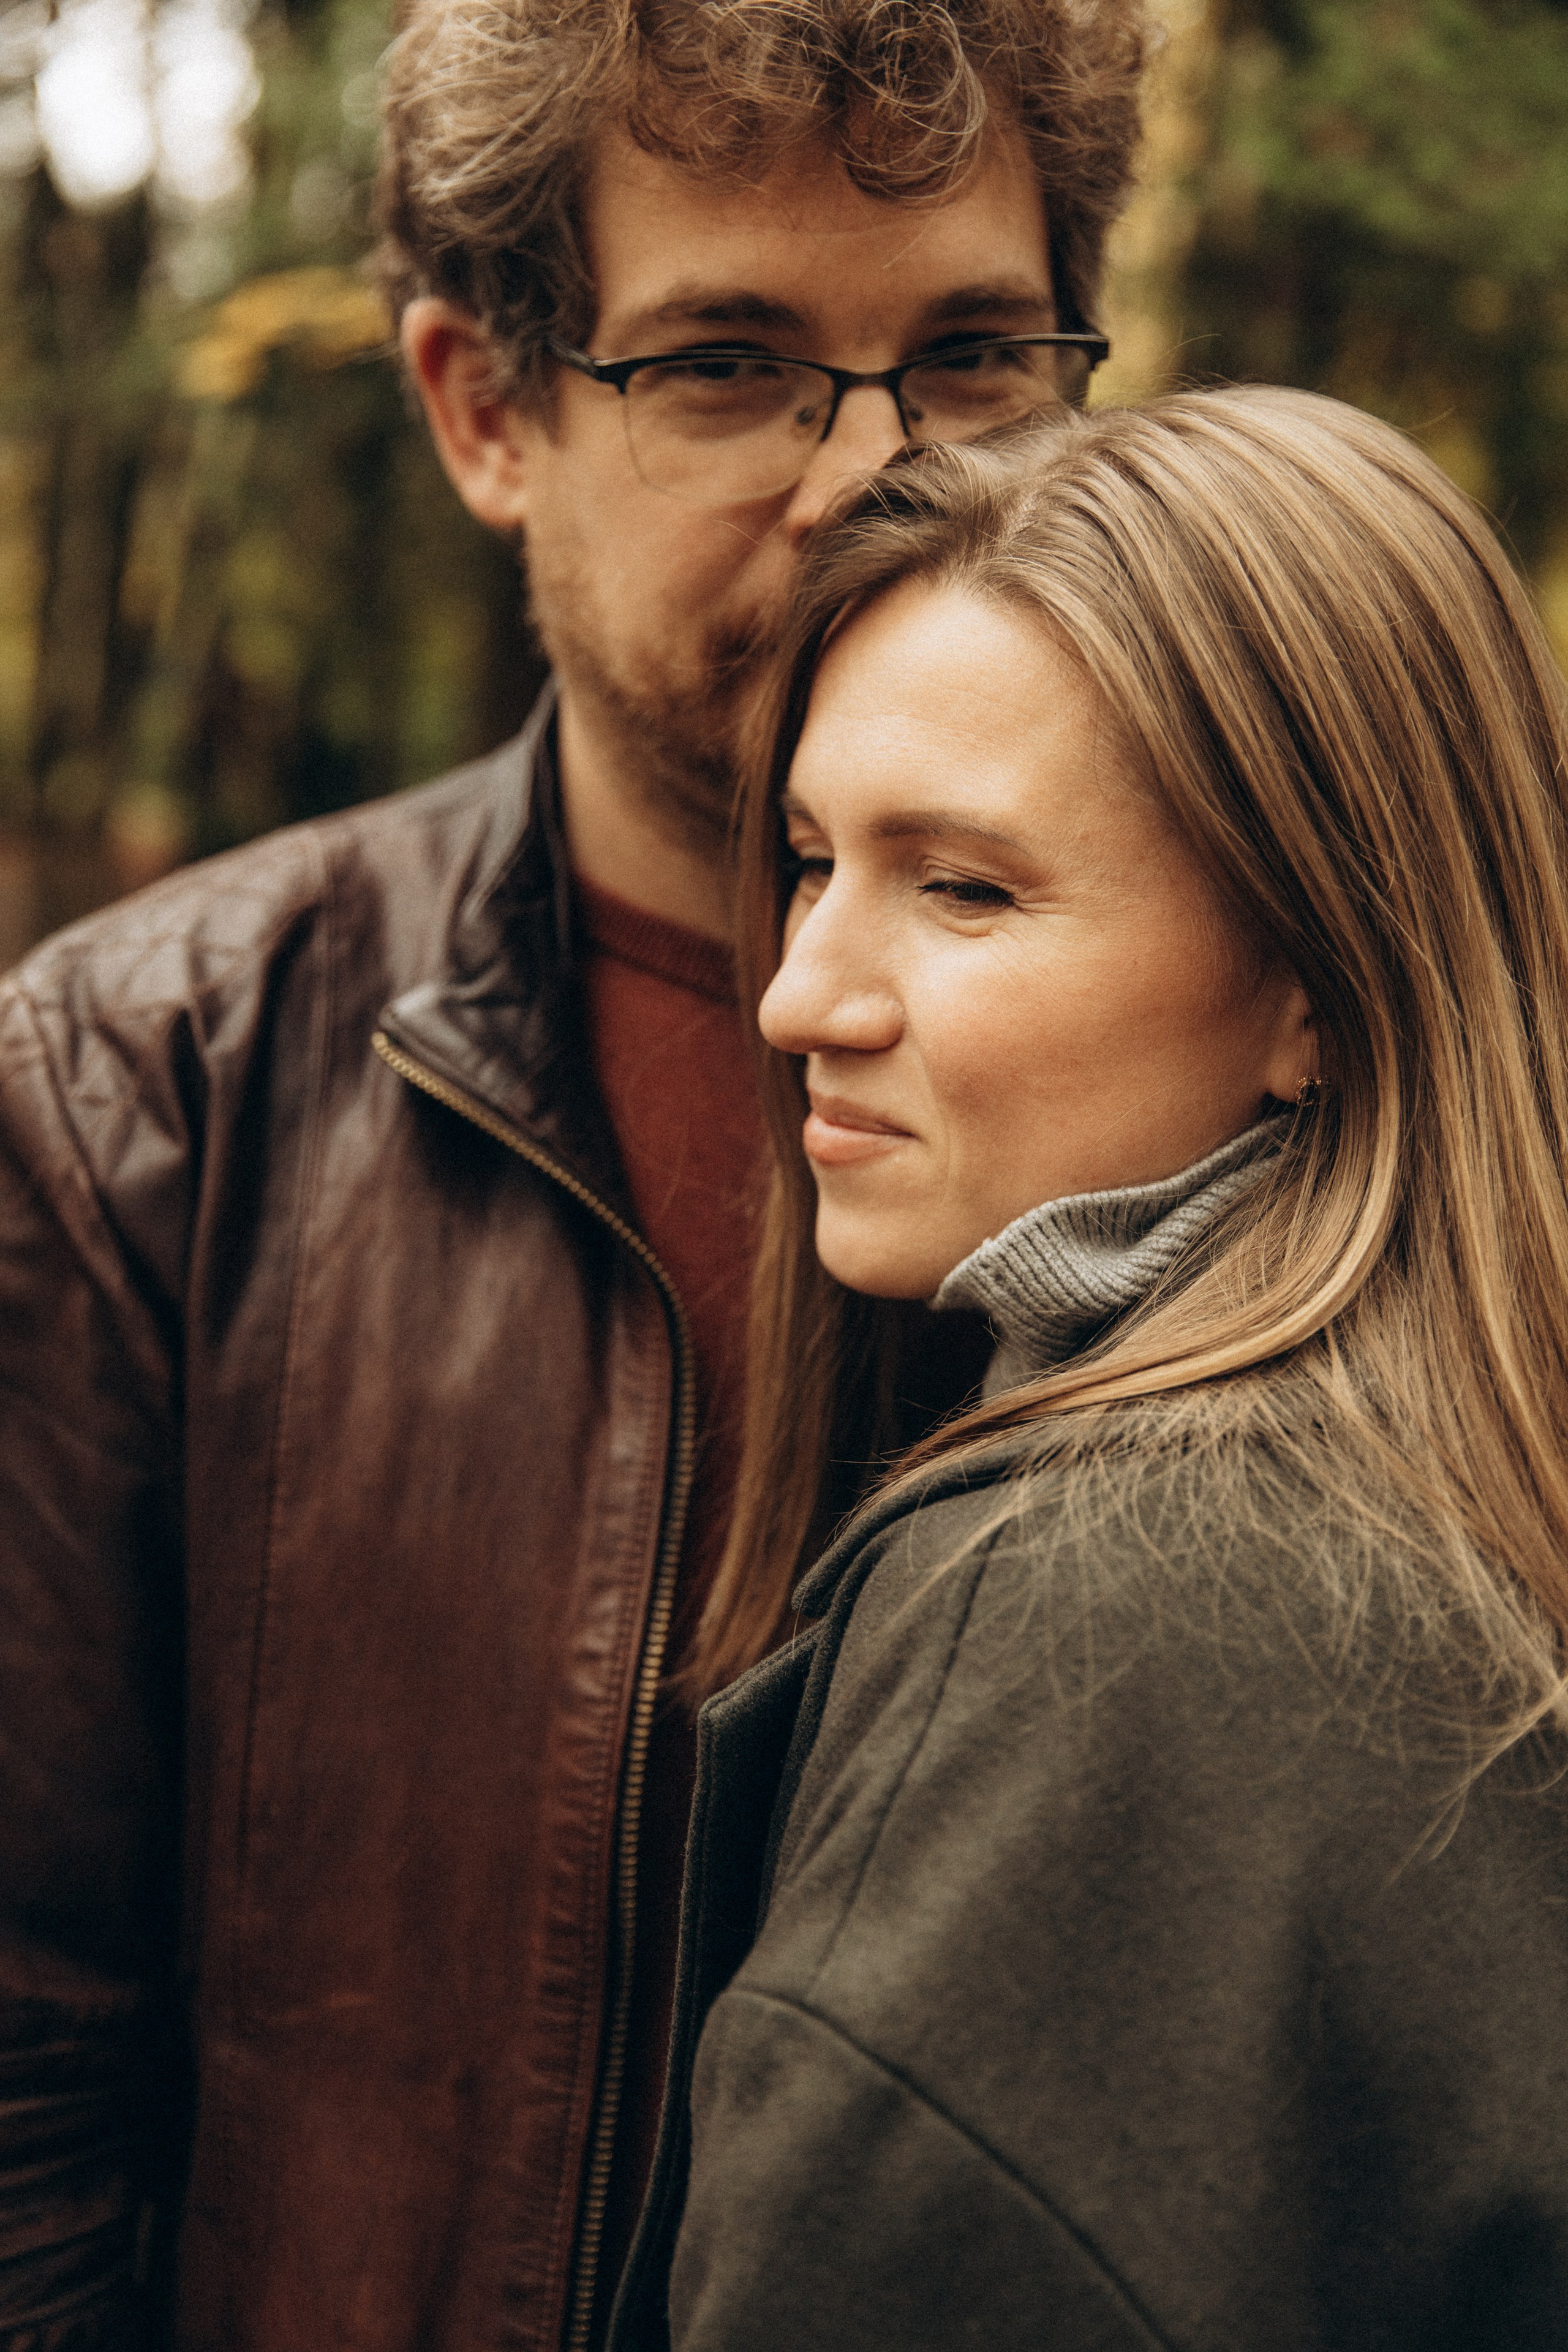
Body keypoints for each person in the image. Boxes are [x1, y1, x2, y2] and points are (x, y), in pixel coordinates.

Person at [0, 4, 1148, 2347]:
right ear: (483, 409)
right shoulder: (137, 1094)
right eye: (727, 364)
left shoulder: (1284, 1089)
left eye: (969, 354)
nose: (876, 477)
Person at [612, 388, 1568, 2352]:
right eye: (810, 859)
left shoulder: (1095, 1609)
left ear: (1321, 984)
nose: (799, 995)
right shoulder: (1448, 1503)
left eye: (963, 886)